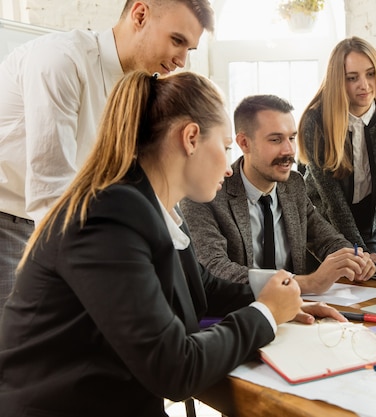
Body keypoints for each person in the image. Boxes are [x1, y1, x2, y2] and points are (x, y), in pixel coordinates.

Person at [0, 71, 345, 416]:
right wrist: (266, 314)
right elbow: (174, 369)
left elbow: (202, 288)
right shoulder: (108, 217)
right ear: (191, 138)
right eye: (225, 147)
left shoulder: (145, 206)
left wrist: (277, 301)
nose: (229, 168)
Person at [0, 0, 214, 310]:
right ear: (140, 15)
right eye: (177, 40)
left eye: (189, 50)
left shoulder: (138, 90)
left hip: (57, 222)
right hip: (8, 217)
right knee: (16, 346)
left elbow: (136, 182)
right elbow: (50, 191)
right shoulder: (60, 60)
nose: (182, 60)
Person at [180, 95, 376, 295]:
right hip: (239, 315)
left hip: (299, 313)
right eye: (275, 140)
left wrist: (352, 260)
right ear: (244, 143)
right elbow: (215, 270)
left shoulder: (294, 185)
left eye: (291, 138)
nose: (289, 150)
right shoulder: (206, 194)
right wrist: (308, 283)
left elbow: (327, 239)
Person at [297, 36, 376, 270]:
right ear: (338, 80)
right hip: (321, 232)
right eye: (352, 78)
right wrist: (359, 251)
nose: (364, 85)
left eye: (370, 74)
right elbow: (331, 198)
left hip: (367, 228)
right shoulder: (316, 121)